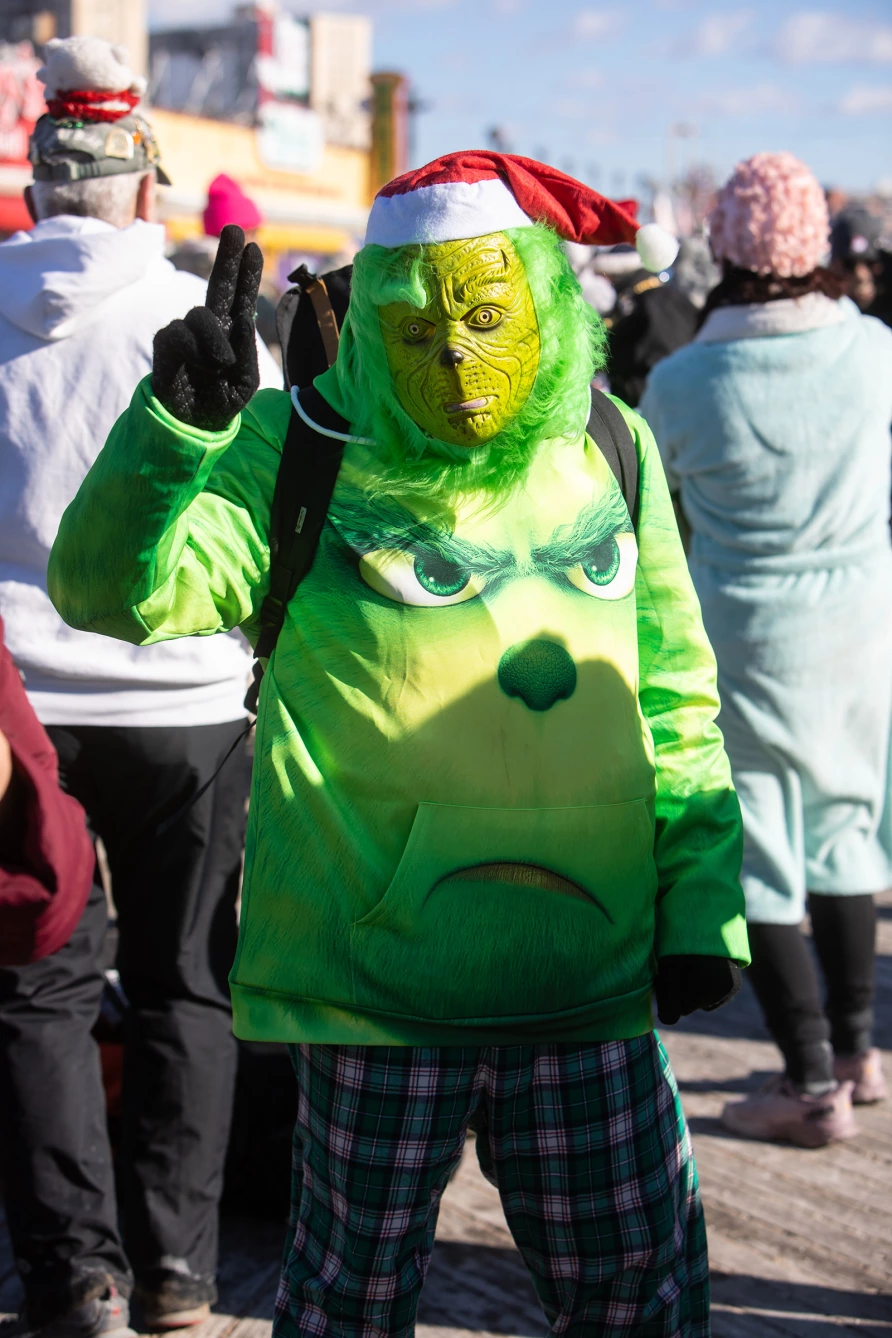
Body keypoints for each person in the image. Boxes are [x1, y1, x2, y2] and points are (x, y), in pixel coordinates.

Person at [49, 151, 749, 1337]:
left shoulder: (609, 445)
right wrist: (174, 433)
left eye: (485, 317)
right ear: (371, 327)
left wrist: (699, 908)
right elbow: (112, 591)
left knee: (638, 1302)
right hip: (375, 996)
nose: (461, 362)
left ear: (542, 295)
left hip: (584, 979)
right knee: (347, 1308)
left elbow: (676, 694)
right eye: (420, 334)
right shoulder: (300, 443)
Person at [0, 36, 278, 1335]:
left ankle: (76, 1278)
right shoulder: (208, 317)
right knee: (185, 985)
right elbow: (264, 504)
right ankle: (178, 1276)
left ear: (41, 172)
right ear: (143, 185)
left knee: (36, 985)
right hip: (181, 699)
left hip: (18, 711)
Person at [640, 151, 892, 1147]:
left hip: (741, 635)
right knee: (847, 838)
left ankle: (808, 1080)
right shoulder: (872, 350)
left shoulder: (681, 379)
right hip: (861, 629)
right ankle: (863, 1051)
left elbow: (659, 517)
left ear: (721, 249)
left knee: (765, 856)